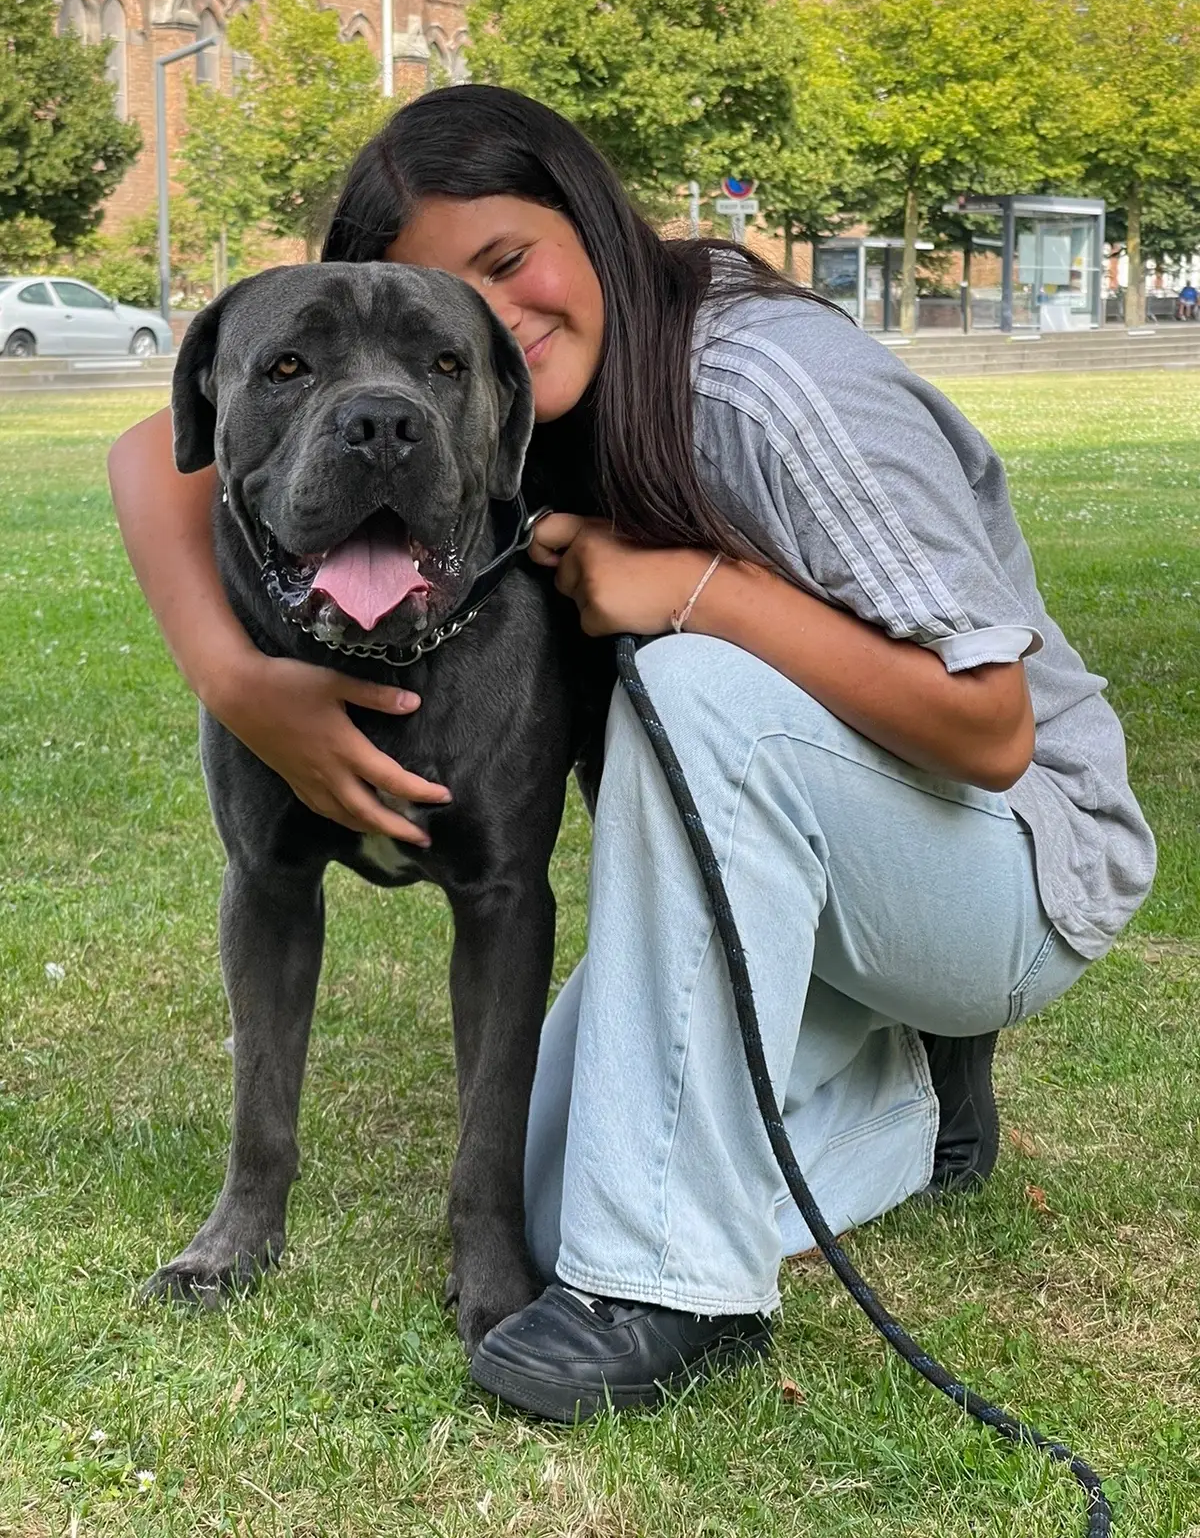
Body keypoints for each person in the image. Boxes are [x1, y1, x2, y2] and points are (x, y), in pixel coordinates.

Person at [108, 86, 1155, 1423]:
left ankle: (681, 1277)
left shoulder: (768, 385)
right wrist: (240, 680)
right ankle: (914, 1105)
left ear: (592, 220)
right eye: (445, 315)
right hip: (811, 854)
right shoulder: (541, 401)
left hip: (1011, 864)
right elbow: (158, 452)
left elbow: (994, 730)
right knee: (560, 1205)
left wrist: (684, 592)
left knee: (691, 683)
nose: (400, 402)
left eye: (490, 287)